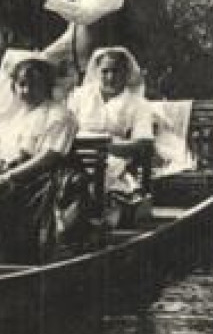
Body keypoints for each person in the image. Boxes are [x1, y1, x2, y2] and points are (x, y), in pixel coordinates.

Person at [0, 53, 81, 264]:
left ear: (47, 85)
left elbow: (50, 156)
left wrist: (9, 177)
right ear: (14, 87)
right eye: (22, 84)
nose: (27, 91)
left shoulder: (59, 114)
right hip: (20, 175)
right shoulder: (20, 115)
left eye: (34, 84)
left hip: (46, 178)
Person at [67, 46, 156, 225]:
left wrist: (107, 147)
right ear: (96, 71)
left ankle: (99, 214)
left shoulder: (138, 104)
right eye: (105, 71)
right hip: (76, 152)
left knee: (108, 176)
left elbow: (144, 143)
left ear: (126, 73)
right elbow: (65, 128)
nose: (110, 77)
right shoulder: (79, 96)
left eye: (116, 71)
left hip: (114, 155)